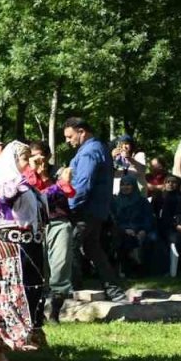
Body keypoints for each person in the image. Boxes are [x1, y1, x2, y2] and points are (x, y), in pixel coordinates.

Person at [0, 142, 48, 361]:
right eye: (25, 159)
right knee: (3, 297)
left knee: (22, 294)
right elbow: (7, 197)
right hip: (7, 249)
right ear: (13, 162)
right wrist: (26, 174)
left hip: (26, 249)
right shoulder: (5, 183)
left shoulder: (28, 186)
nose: (29, 163)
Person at [63, 118, 125, 302]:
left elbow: (83, 185)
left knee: (69, 244)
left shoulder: (89, 152)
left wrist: (70, 208)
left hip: (85, 210)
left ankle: (73, 289)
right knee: (93, 248)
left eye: (69, 136)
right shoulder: (100, 147)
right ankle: (114, 289)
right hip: (97, 209)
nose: (67, 141)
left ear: (81, 131)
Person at [27, 142, 75, 320]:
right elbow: (31, 195)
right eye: (33, 157)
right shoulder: (25, 174)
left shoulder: (58, 173)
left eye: (41, 155)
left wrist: (62, 181)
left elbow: (69, 192)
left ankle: (55, 312)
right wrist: (34, 173)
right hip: (35, 224)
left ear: (48, 156)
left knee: (61, 265)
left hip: (58, 221)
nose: (39, 160)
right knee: (37, 269)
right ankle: (38, 312)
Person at [112, 176, 157, 276]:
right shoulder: (115, 202)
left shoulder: (142, 201)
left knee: (151, 239)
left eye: (128, 184)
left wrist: (143, 230)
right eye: (122, 184)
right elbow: (114, 220)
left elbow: (148, 218)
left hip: (141, 229)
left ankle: (146, 269)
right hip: (122, 230)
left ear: (134, 186)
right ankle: (132, 267)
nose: (125, 187)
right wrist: (124, 229)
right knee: (126, 239)